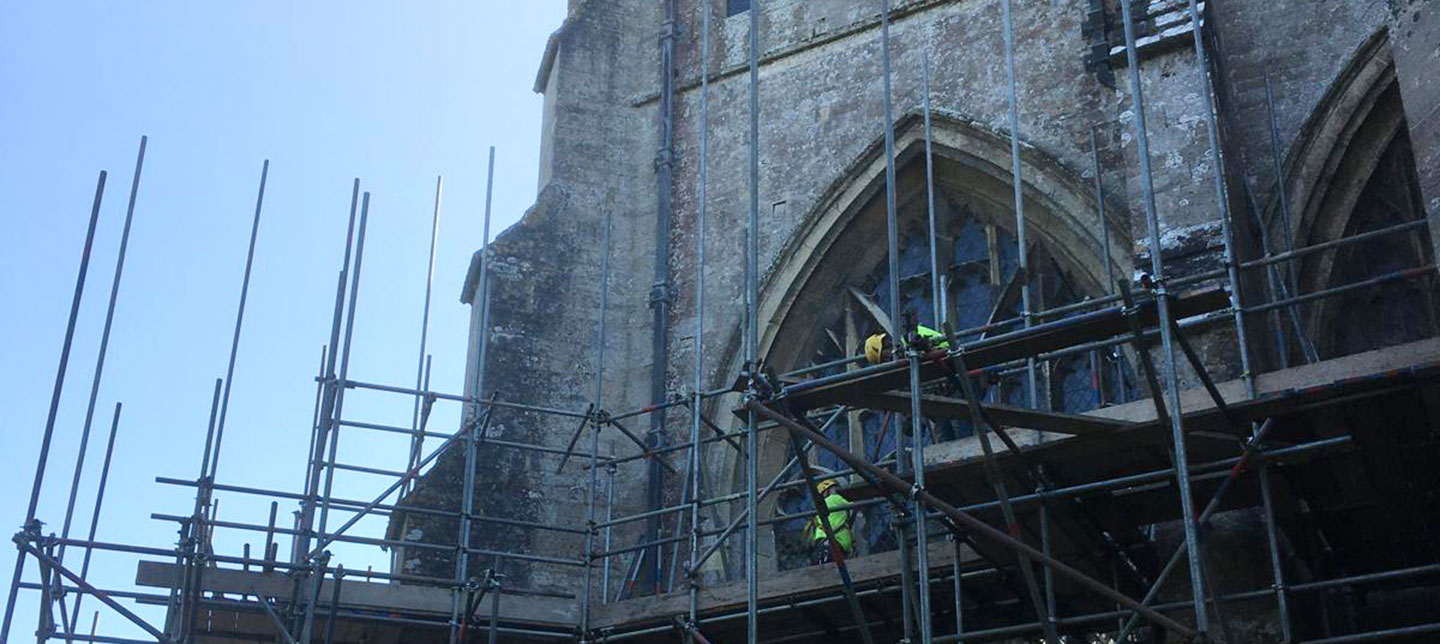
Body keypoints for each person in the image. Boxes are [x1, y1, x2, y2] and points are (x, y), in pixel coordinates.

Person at [806, 479, 855, 564]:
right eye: (834, 489)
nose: (835, 491)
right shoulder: (835, 498)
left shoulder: (819, 507)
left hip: (824, 541)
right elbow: (854, 504)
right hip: (836, 541)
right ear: (827, 491)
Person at [863, 324, 950, 364]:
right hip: (942, 355)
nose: (888, 358)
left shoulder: (908, 340)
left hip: (945, 352)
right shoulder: (905, 340)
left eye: (884, 356)